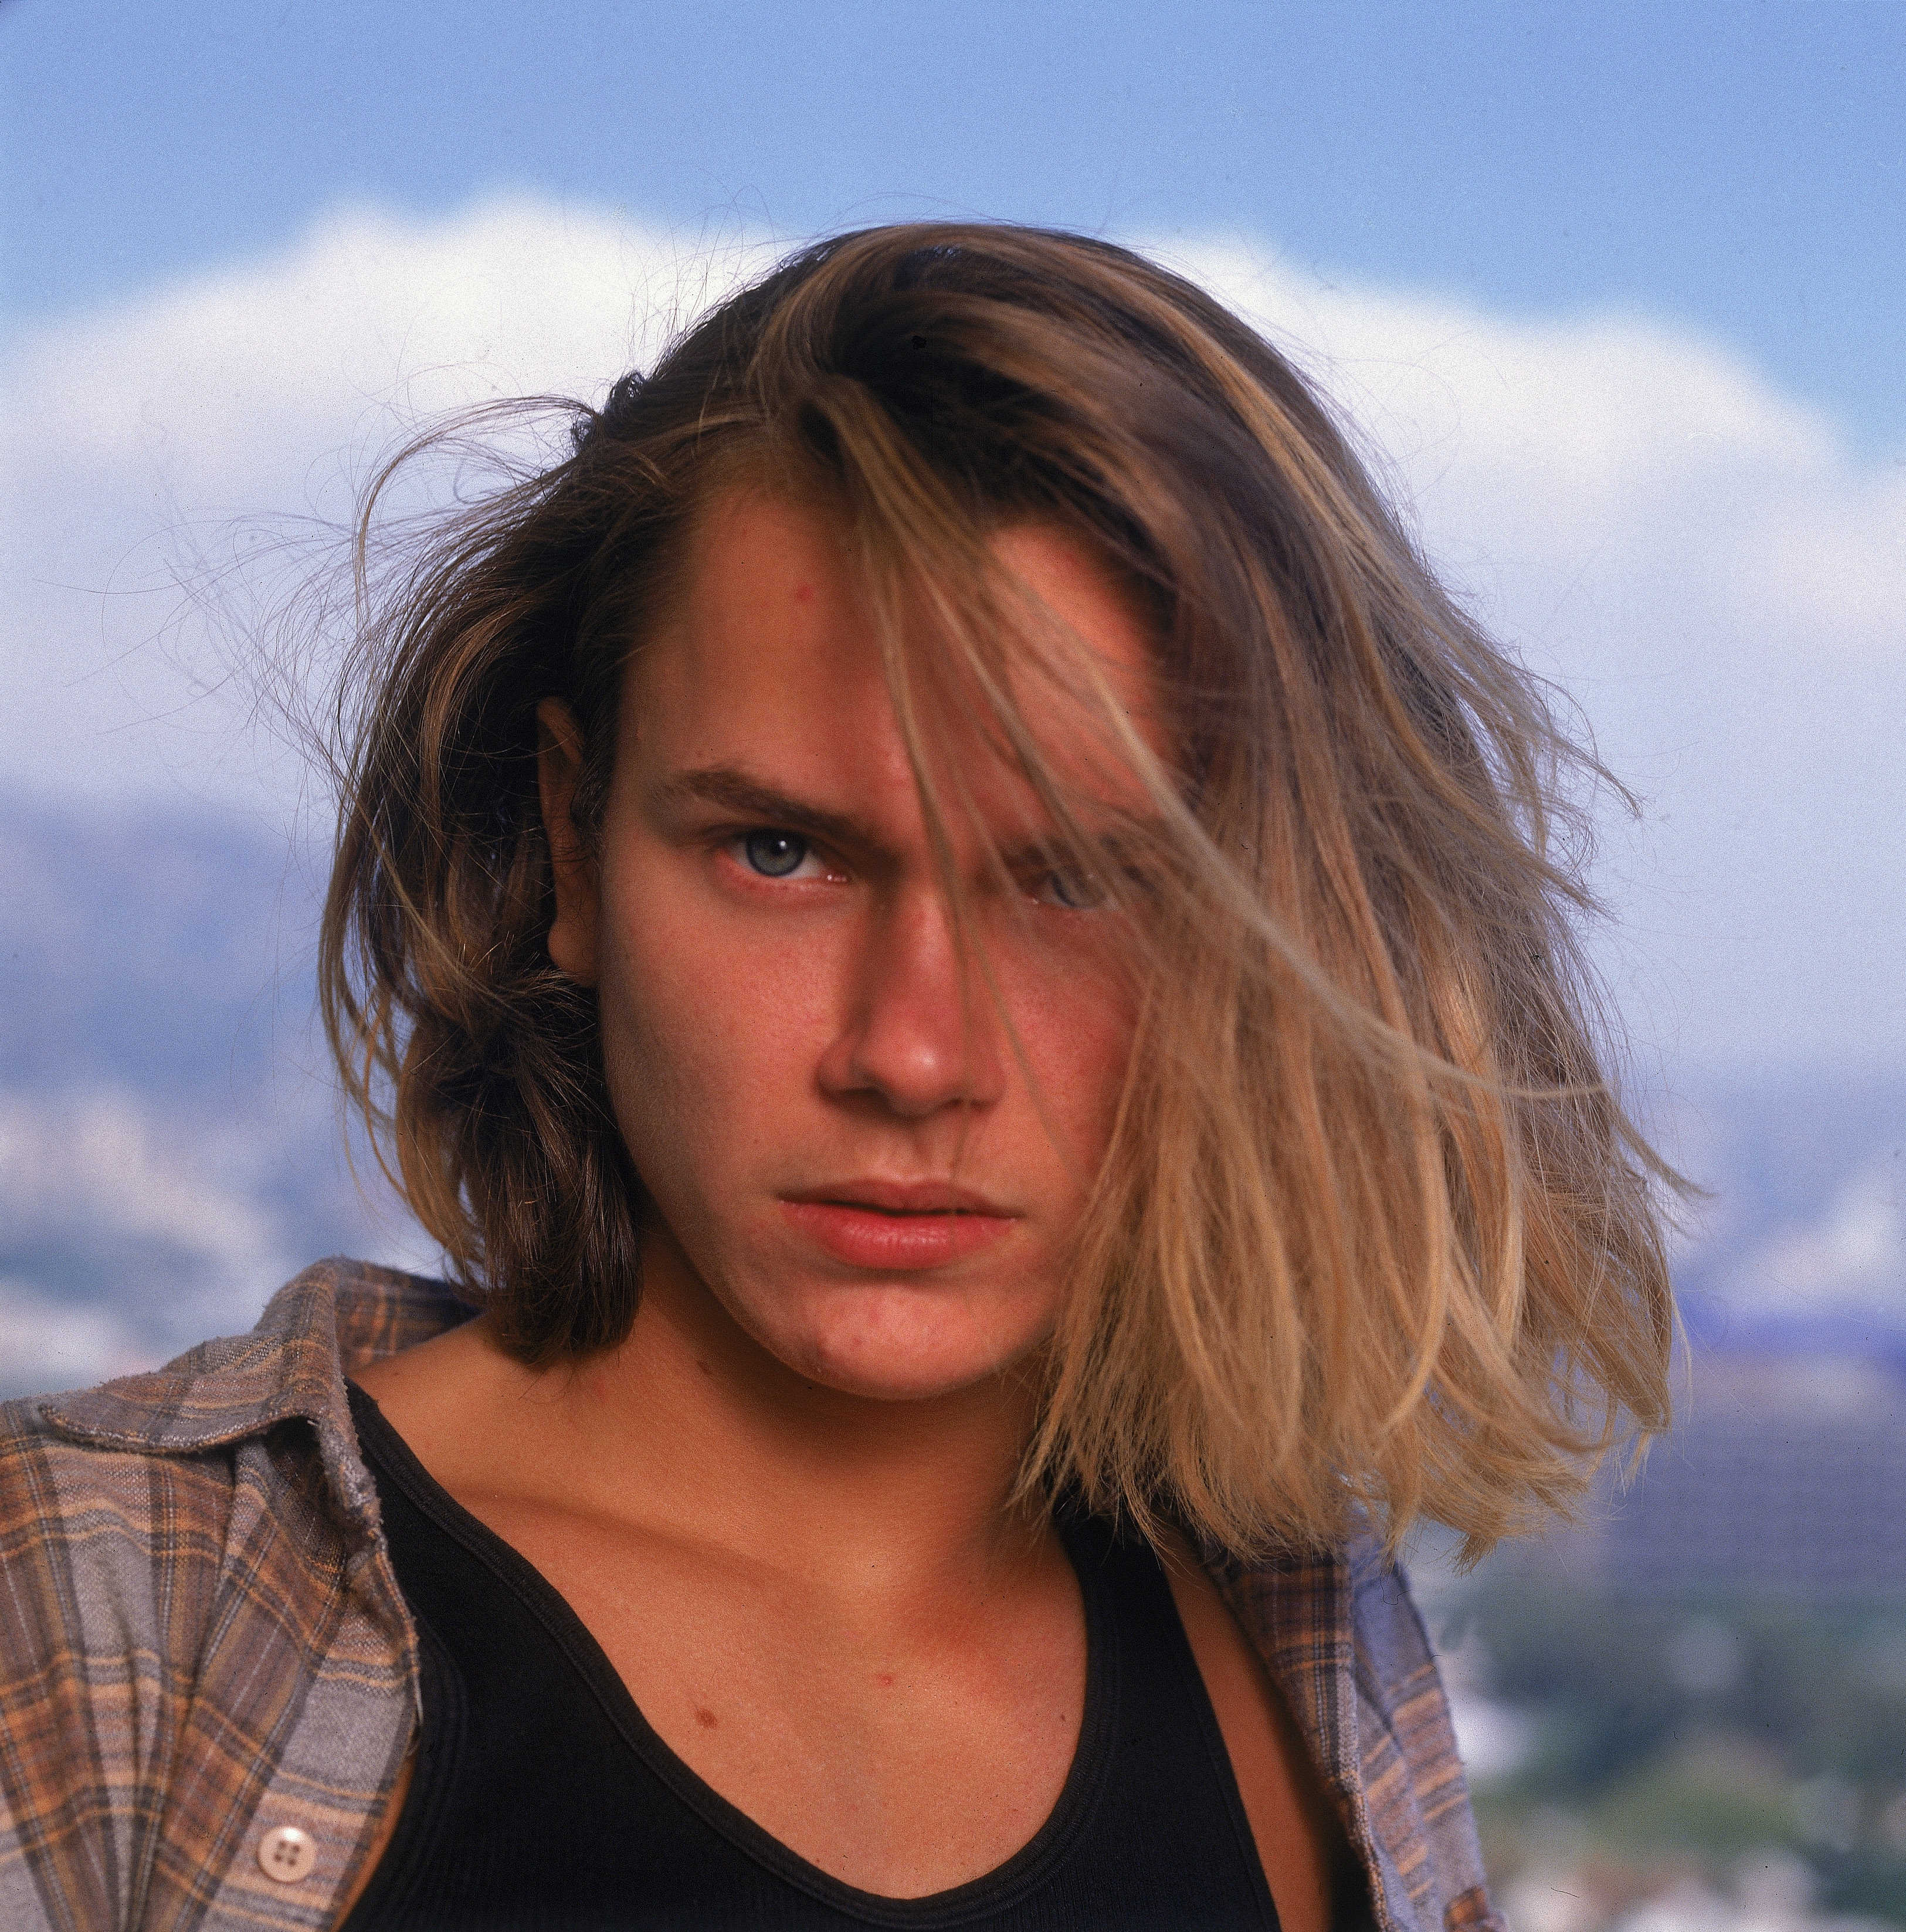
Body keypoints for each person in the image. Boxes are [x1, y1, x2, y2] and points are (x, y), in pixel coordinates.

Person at [0, 223, 1674, 1931]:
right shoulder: (92, 1616)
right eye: (782, 851)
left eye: (1082, 880)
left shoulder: (1307, 1643)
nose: (911, 1053)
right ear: (572, 846)